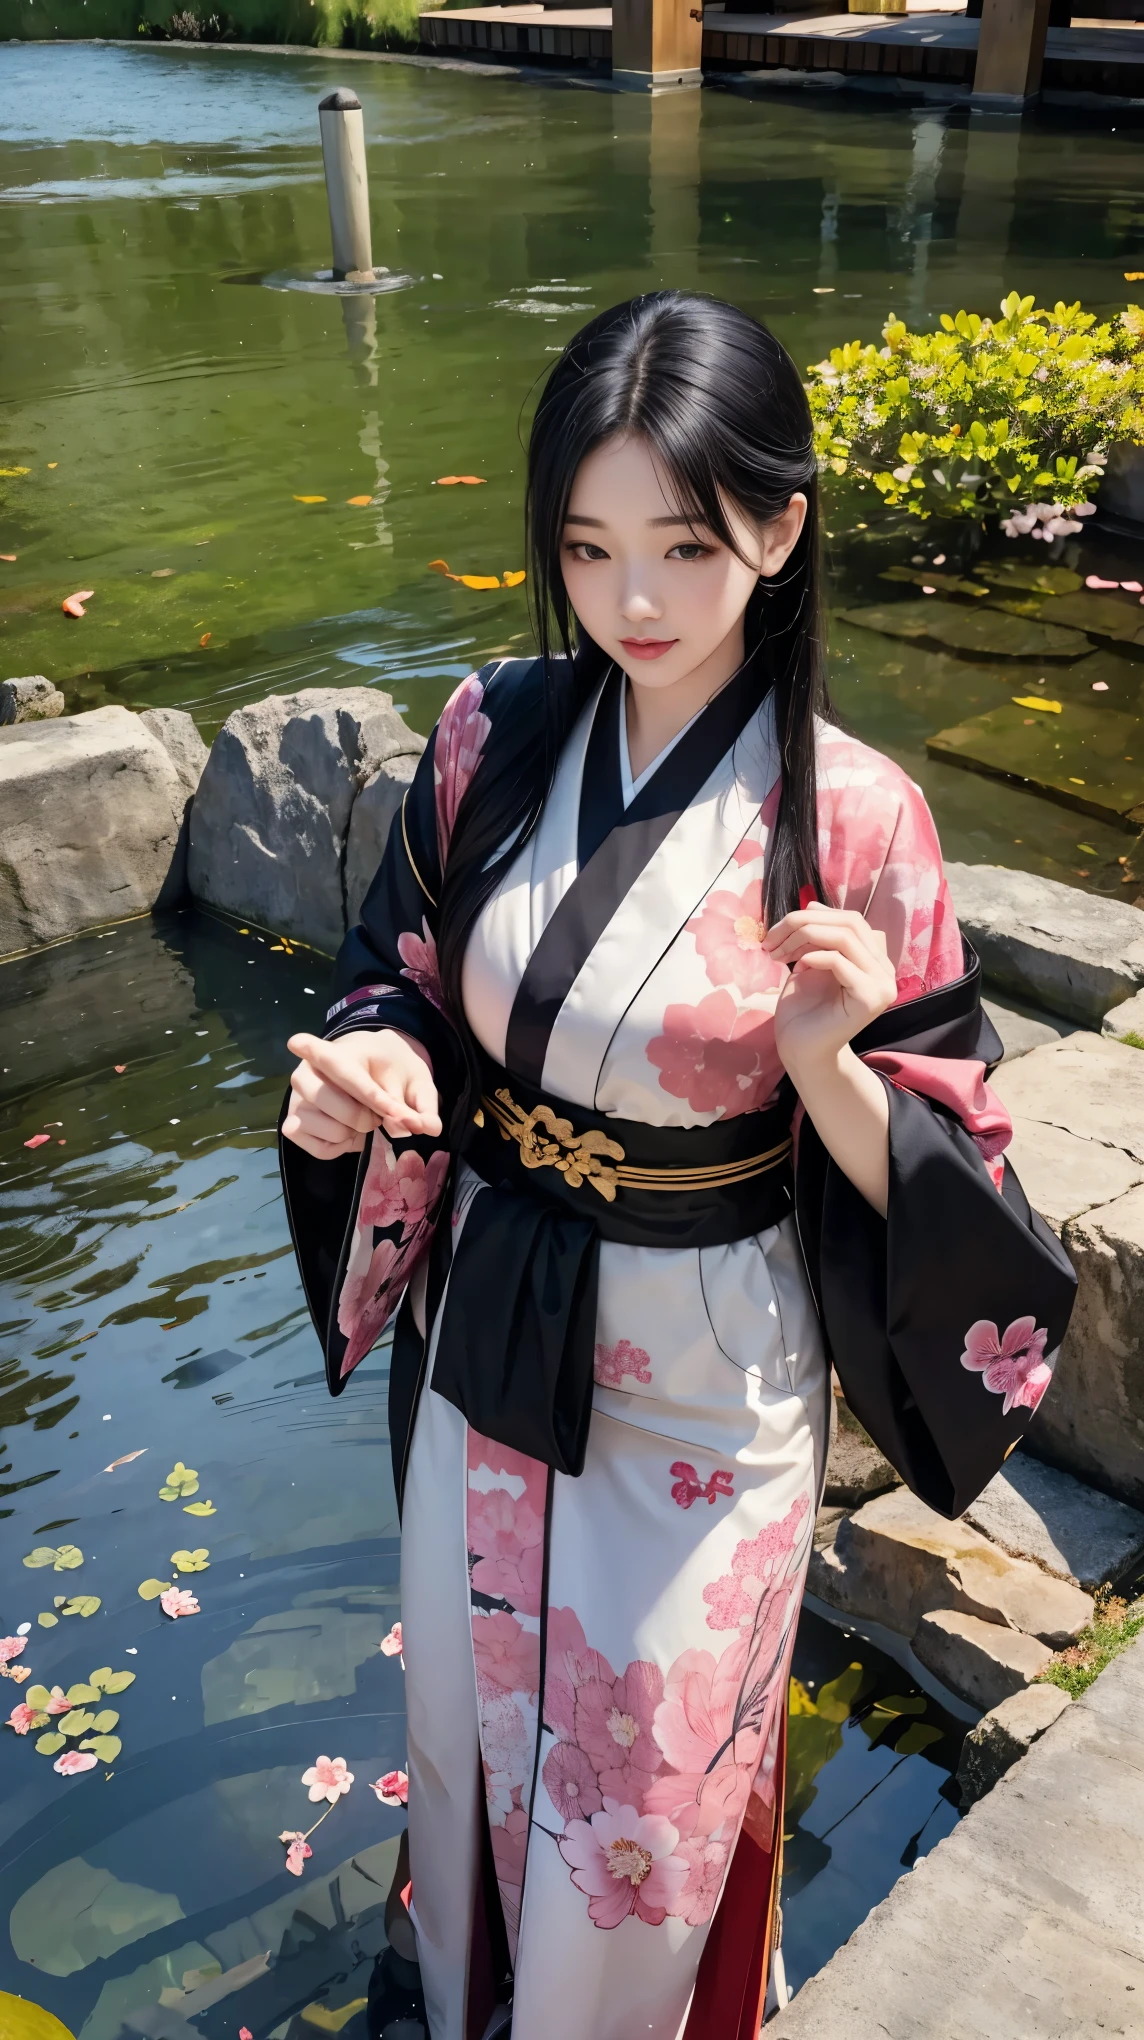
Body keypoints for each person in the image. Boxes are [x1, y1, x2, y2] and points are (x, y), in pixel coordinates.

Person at [278, 292, 1075, 2040]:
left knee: (645, 1782)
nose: (631, 604)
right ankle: (462, 1995)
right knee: (478, 1714)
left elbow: (967, 1182)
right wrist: (378, 1074)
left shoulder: (857, 815)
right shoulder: (493, 733)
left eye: (685, 546)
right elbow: (395, 967)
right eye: (586, 548)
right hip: (494, 1313)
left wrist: (821, 1066)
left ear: (780, 529)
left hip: (707, 1371)